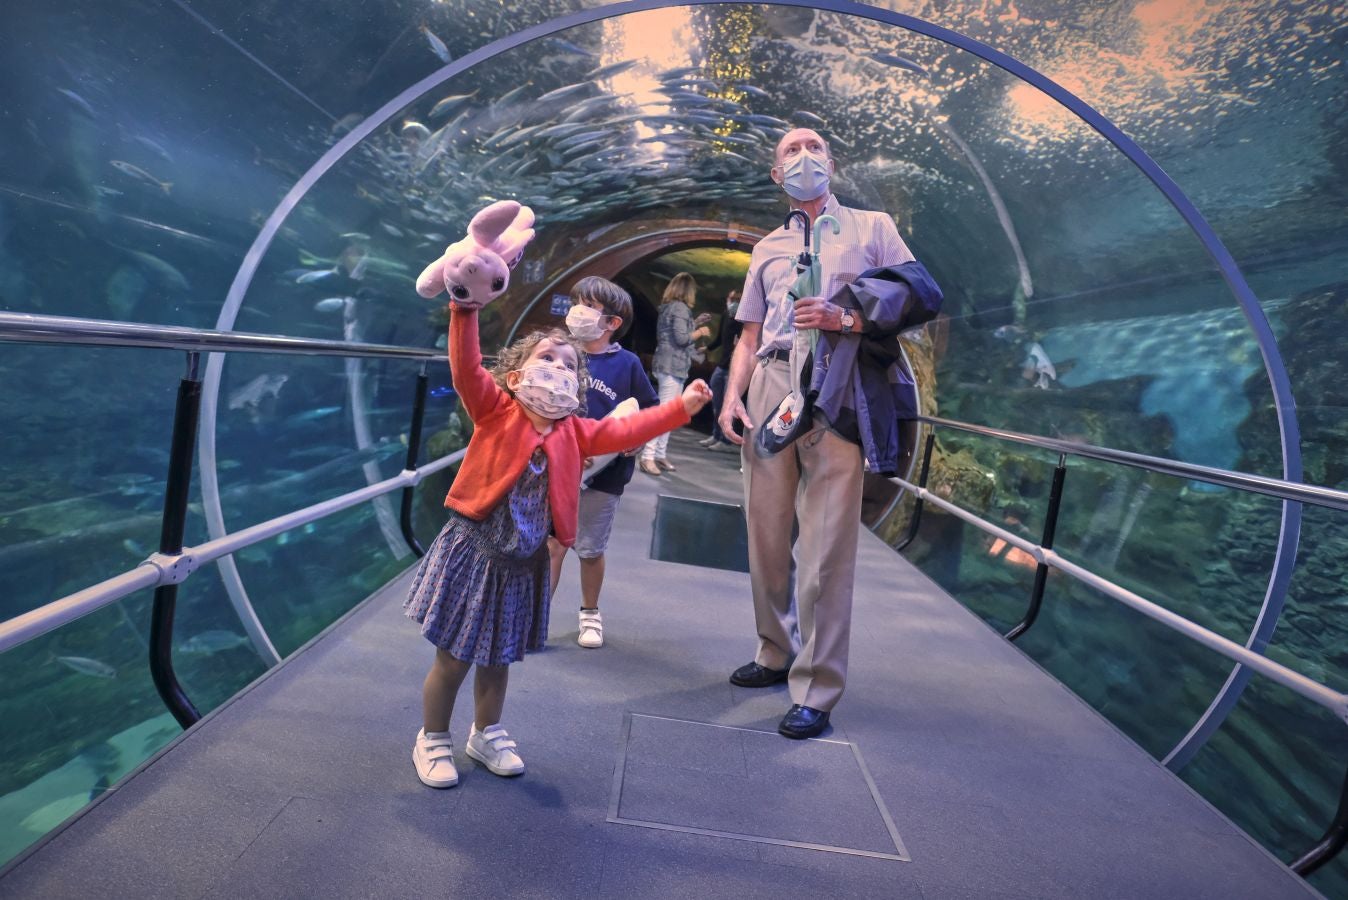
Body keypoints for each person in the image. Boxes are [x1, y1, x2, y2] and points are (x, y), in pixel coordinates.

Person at [405, 301, 712, 787]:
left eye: (569, 365)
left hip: (521, 563)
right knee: (454, 655)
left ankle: (485, 732)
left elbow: (623, 429)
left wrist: (680, 408)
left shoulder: (575, 433)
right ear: (514, 375)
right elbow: (465, 367)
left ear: (579, 384)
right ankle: (432, 737)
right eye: (546, 359)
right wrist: (464, 309)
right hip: (476, 553)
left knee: (498, 656)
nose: (558, 369)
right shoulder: (495, 410)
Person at [718, 127, 917, 739]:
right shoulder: (766, 248)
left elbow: (918, 296)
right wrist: (732, 396)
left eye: (814, 146)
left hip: (841, 384)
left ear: (833, 162)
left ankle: (818, 688)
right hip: (773, 383)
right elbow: (749, 334)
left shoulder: (874, 226)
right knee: (765, 531)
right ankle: (774, 650)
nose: (804, 155)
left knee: (828, 546)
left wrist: (846, 317)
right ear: (776, 174)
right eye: (789, 151)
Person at [547, 276, 658, 649]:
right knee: (550, 544)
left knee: (590, 547)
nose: (577, 310)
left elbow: (650, 408)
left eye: (589, 305)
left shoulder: (626, 364)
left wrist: (634, 440)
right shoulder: (559, 352)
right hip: (555, 468)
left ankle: (590, 613)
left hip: (604, 476)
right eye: (577, 301)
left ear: (612, 322)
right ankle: (534, 613)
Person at [639, 272, 711, 476]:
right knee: (665, 413)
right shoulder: (680, 308)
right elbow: (681, 339)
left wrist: (694, 322)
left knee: (672, 412)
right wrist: (700, 332)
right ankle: (648, 456)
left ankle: (659, 454)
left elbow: (675, 333)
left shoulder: (671, 307)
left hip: (671, 364)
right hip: (672, 366)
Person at [699, 289, 742, 451]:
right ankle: (717, 434)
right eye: (732, 299)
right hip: (722, 365)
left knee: (727, 404)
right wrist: (707, 348)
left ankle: (725, 440)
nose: (732, 303)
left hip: (732, 367)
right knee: (716, 401)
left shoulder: (742, 319)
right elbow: (719, 339)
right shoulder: (726, 315)